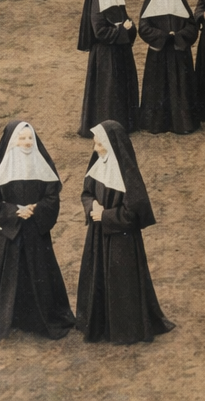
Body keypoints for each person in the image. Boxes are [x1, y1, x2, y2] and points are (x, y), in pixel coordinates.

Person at [0, 121, 78, 341]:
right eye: (21, 139)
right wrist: (13, 212)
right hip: (8, 236)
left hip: (35, 232)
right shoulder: (1, 167)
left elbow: (52, 196)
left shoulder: (42, 164)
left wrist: (37, 209)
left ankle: (37, 319)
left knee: (38, 273)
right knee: (6, 275)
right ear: (12, 142)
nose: (26, 142)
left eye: (29, 138)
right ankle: (6, 318)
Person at [77, 121, 175, 344]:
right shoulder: (97, 166)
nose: (96, 148)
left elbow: (133, 214)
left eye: (100, 144)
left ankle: (124, 329)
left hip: (121, 241)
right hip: (97, 237)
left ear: (112, 145)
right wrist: (91, 206)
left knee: (121, 284)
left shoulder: (128, 177)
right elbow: (86, 193)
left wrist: (105, 216)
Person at [78, 0, 141, 137]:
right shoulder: (98, 0)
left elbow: (125, 20)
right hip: (105, 54)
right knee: (108, 88)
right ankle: (107, 126)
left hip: (121, 50)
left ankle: (123, 123)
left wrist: (130, 27)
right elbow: (99, 31)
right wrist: (122, 29)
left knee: (120, 86)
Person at [136, 0, 200, 135]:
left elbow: (192, 27)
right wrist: (163, 36)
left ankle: (183, 123)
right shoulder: (151, 3)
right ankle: (156, 124)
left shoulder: (182, 3)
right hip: (159, 53)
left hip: (179, 54)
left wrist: (178, 36)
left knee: (181, 86)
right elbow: (143, 28)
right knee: (158, 87)